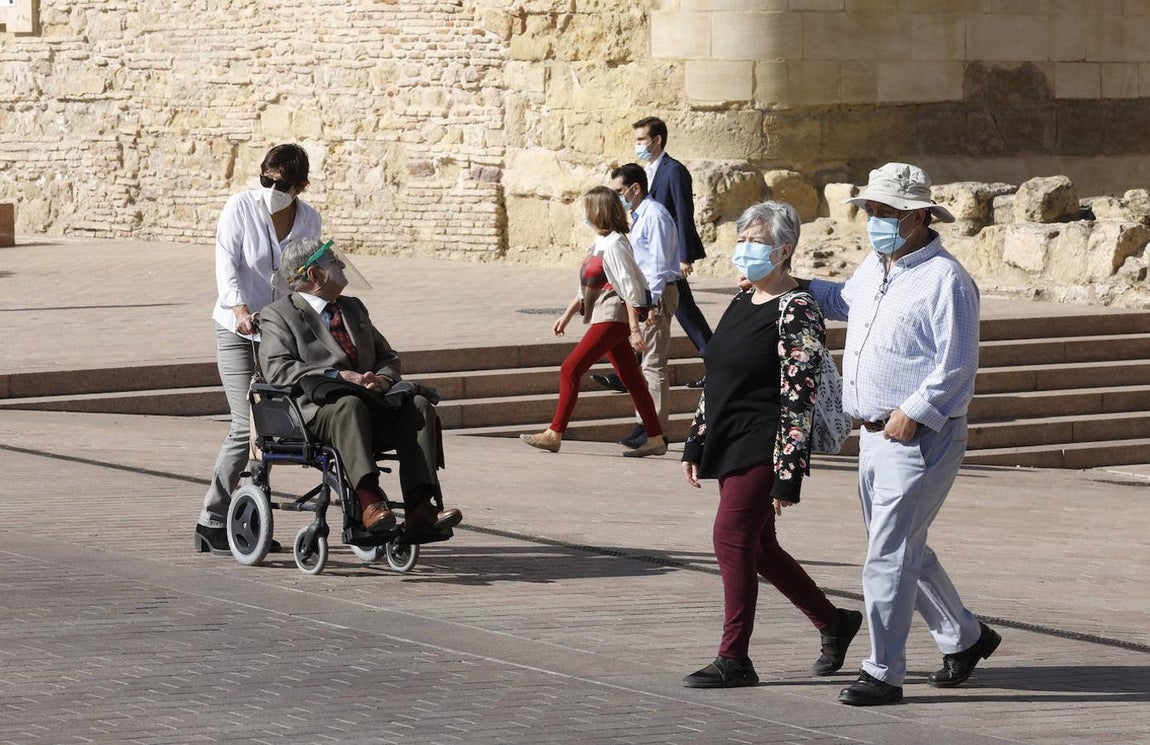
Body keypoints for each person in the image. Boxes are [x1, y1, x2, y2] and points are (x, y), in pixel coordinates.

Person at [804, 163, 1000, 706]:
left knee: (888, 554)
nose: (875, 221)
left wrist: (913, 411)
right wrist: (791, 287)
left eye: (886, 212)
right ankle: (964, 636)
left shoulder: (947, 279)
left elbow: (957, 364)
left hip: (916, 436)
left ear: (917, 217)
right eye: (871, 211)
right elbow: (847, 301)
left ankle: (883, 671)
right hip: (872, 434)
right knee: (898, 545)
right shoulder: (876, 266)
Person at [680, 201, 862, 689]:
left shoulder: (797, 309)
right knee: (759, 546)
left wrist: (788, 473)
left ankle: (734, 657)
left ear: (784, 251)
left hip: (765, 442)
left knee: (731, 538)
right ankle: (833, 622)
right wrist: (696, 441)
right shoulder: (744, 299)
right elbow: (717, 374)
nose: (745, 248)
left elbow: (799, 396)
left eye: (756, 241)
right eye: (742, 238)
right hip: (730, 435)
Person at [257, 237, 463, 538]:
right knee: (348, 405)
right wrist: (339, 377)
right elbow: (278, 368)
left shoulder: (353, 308)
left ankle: (421, 507)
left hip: (371, 403)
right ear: (314, 275)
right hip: (317, 414)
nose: (341, 264)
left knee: (417, 406)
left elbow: (388, 356)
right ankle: (369, 501)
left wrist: (382, 378)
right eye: (333, 261)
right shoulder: (279, 314)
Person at [195, 143, 320, 554]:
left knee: (268, 428)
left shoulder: (309, 219)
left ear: (300, 186)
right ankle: (212, 517)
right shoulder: (240, 207)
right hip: (237, 327)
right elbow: (226, 260)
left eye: (281, 183)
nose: (270, 187)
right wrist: (239, 306)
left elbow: (301, 274)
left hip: (278, 333)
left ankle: (248, 516)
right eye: (266, 178)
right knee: (242, 423)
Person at [519, 186, 667, 458]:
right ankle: (655, 437)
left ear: (598, 211)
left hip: (613, 317)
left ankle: (554, 433)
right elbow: (588, 283)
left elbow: (629, 288)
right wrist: (566, 314)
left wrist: (635, 330)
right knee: (631, 379)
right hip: (602, 314)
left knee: (570, 369)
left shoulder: (616, 244)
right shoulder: (599, 242)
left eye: (588, 209)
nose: (584, 215)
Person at [595, 163, 680, 450]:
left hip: (656, 295)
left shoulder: (653, 216)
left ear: (635, 188)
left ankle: (656, 430)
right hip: (645, 297)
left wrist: (652, 304)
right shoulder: (639, 215)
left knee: (654, 364)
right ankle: (645, 423)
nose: (618, 197)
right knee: (642, 364)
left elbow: (656, 266)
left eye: (620, 192)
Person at [632, 116, 712, 389]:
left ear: (657, 140)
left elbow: (683, 214)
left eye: (642, 139)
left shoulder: (674, 170)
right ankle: (716, 364)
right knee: (684, 310)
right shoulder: (647, 171)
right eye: (636, 140)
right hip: (654, 255)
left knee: (680, 310)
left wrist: (684, 256)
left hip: (669, 257)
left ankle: (627, 371)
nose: (638, 144)